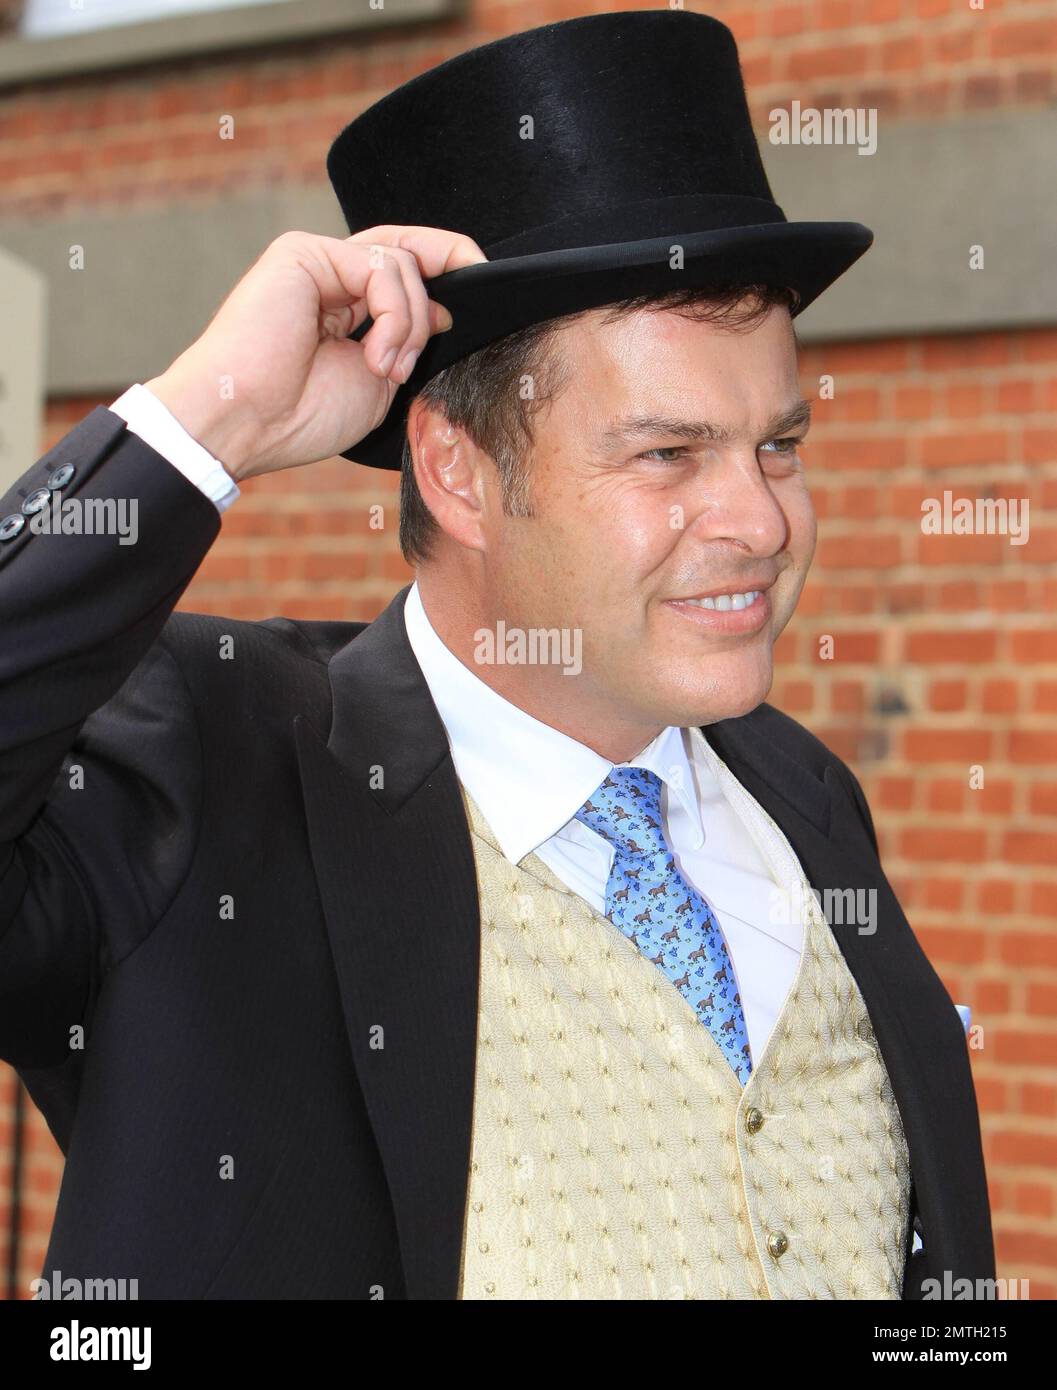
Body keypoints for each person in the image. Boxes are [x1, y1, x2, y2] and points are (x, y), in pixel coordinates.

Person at [0, 11, 992, 1300]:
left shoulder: (802, 797)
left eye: (780, 446)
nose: (760, 521)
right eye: (668, 453)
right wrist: (214, 415)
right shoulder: (208, 775)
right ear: (458, 475)